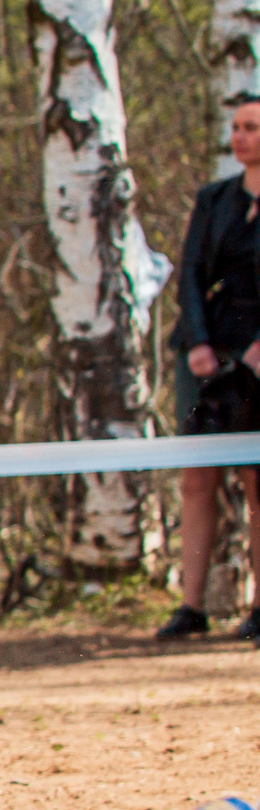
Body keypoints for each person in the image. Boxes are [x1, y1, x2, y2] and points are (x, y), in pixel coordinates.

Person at [161, 92, 260, 642]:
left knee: (257, 478)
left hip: (257, 354)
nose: (241, 137)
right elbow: (192, 272)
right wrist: (199, 342)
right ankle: (191, 605)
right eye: (237, 127)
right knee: (197, 477)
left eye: (252, 127)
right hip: (207, 351)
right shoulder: (214, 199)